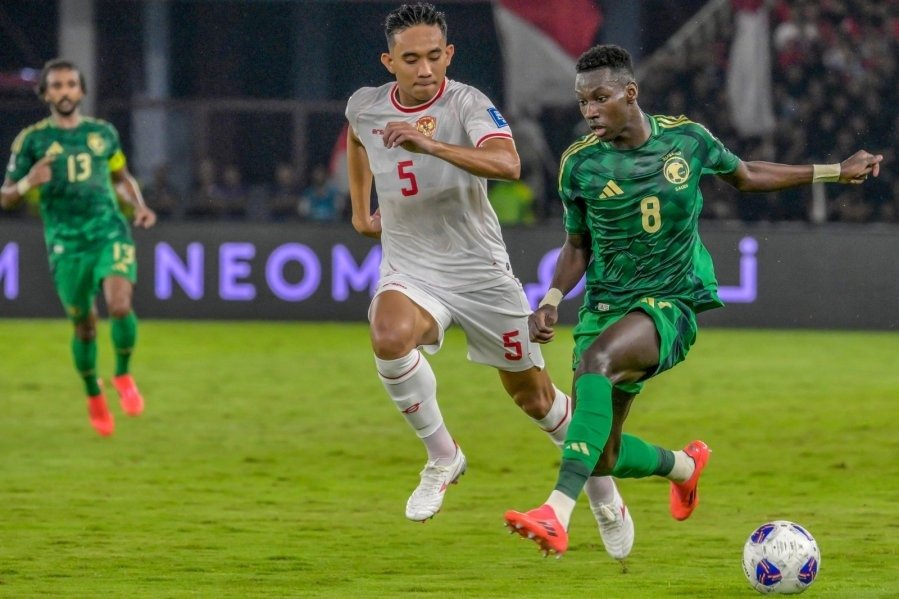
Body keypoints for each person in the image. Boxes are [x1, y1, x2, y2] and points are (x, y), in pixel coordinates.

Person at [504, 44, 883, 557]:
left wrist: (835, 170)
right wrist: (551, 298)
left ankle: (556, 511)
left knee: (596, 362)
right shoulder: (579, 165)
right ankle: (683, 466)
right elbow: (577, 245)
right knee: (603, 455)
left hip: (670, 303)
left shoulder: (687, 140)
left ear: (630, 93)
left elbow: (746, 175)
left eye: (600, 98)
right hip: (605, 309)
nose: (590, 110)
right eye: (582, 102)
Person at [345, 4, 634, 560]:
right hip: (410, 265)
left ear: (449, 54)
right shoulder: (366, 105)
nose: (425, 69)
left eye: (435, 56)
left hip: (479, 272)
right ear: (389, 62)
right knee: (388, 336)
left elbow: (507, 163)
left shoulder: (467, 103)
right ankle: (442, 456)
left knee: (536, 399)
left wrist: (430, 144)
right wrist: (362, 213)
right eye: (411, 59)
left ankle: (604, 494)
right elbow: (359, 138)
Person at [1, 58, 157, 436]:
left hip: (107, 231)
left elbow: (120, 177)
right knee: (85, 326)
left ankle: (122, 374)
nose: (65, 92)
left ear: (82, 91)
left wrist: (138, 205)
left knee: (120, 305)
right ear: (45, 94)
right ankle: (93, 393)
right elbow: (6, 197)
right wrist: (29, 182)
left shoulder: (103, 134)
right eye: (57, 86)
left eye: (71, 84)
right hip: (66, 245)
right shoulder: (31, 141)